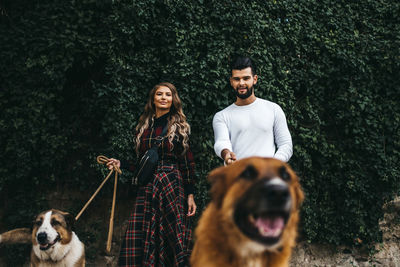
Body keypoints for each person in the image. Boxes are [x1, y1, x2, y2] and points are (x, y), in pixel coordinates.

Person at [107, 82, 197, 267]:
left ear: (173, 100)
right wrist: (121, 164)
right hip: (148, 187)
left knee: (171, 236)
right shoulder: (144, 127)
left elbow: (187, 163)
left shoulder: (180, 127)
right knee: (142, 233)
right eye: (159, 94)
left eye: (168, 95)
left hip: (172, 184)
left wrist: (190, 194)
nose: (164, 97)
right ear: (153, 99)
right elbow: (142, 163)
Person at [213, 56, 293, 165]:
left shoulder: (273, 109)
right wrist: (227, 154)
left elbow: (286, 145)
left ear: (254, 79)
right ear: (231, 81)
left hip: (268, 178)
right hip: (238, 178)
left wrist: (272, 165)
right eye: (237, 79)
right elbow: (221, 143)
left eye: (246, 78)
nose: (241, 83)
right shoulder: (222, 116)